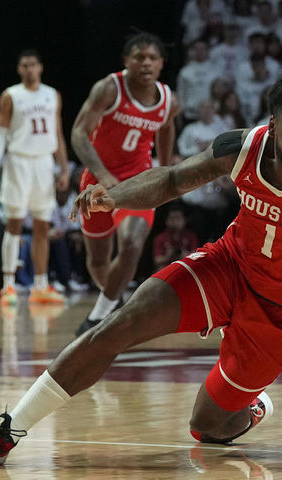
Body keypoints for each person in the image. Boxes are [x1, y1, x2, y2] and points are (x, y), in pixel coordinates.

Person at [0, 67, 282, 467]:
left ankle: (251, 407)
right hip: (228, 267)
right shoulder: (242, 147)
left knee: (208, 430)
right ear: (273, 122)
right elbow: (173, 179)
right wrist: (111, 196)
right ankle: (8, 430)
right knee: (119, 324)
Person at [70, 32, 179, 336]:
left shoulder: (169, 100)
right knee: (98, 262)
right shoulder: (109, 89)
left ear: (160, 63)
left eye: (152, 58)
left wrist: (166, 168)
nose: (146, 63)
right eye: (139, 57)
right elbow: (79, 133)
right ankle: (113, 303)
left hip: (138, 181)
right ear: (126, 61)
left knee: (132, 243)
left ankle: (95, 320)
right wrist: (104, 177)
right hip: (98, 180)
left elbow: (167, 127)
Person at [0, 49, 69, 306]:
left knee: (42, 225)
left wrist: (64, 167)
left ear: (40, 67)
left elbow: (57, 132)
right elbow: (0, 132)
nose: (29, 69)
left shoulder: (51, 94)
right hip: (18, 161)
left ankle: (40, 285)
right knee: (14, 223)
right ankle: (8, 286)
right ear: (19, 69)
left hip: (43, 163)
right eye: (24, 65)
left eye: (33, 65)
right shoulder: (11, 95)